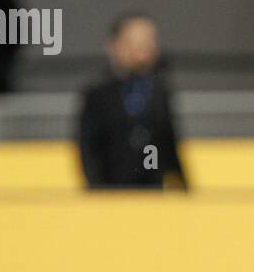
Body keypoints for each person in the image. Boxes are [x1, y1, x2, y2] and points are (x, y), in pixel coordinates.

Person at [77, 12, 187, 191]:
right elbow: (89, 147)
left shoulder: (159, 90)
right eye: (133, 42)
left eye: (148, 42)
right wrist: (95, 187)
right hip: (111, 188)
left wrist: (181, 182)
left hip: (152, 187)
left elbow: (168, 140)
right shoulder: (98, 92)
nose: (141, 50)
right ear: (113, 45)